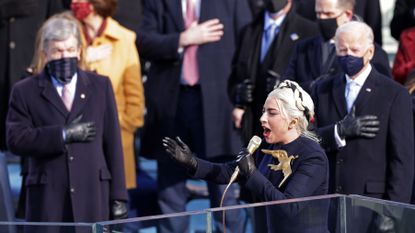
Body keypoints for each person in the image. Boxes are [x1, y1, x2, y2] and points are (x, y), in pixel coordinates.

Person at [138, 0, 252, 232]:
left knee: (224, 191)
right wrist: (183, 39)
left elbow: (247, 44)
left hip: (220, 105)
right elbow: (143, 41)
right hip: (173, 104)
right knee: (170, 192)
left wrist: (242, 102)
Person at [6, 15, 128, 227]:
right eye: (58, 51)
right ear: (45, 54)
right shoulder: (25, 90)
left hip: (93, 194)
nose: (65, 56)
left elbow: (114, 145)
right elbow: (15, 139)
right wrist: (62, 134)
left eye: (70, 50)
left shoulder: (100, 86)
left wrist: (119, 196)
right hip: (48, 200)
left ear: (79, 51)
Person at [163, 80, 329, 233]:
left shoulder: (313, 157)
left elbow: (288, 207)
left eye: (271, 113)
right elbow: (228, 171)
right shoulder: (266, 145)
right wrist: (192, 162)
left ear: (293, 122)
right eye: (263, 112)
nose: (262, 118)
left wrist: (252, 173)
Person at [312, 21, 413, 231]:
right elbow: (308, 140)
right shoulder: (322, 90)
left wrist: (393, 211)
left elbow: (402, 160)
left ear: (370, 52)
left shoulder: (394, 94)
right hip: (329, 203)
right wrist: (337, 131)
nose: (348, 55)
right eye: (342, 50)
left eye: (354, 50)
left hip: (372, 205)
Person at [70, 0, 145, 191]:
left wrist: (125, 124)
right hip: (76, 130)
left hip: (115, 131)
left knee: (116, 197)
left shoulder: (124, 38)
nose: (74, 2)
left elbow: (134, 91)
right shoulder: (67, 33)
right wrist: (84, 58)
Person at [228, 0, 318, 146]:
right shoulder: (249, 31)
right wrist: (239, 94)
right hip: (255, 127)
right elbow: (234, 76)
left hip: (288, 129)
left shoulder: (308, 30)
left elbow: (316, 81)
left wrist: (286, 87)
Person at [283, 0, 390, 93]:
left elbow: (381, 92)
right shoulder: (303, 48)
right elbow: (286, 87)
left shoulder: (370, 52)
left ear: (347, 15)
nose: (322, 18)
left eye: (328, 14)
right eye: (318, 13)